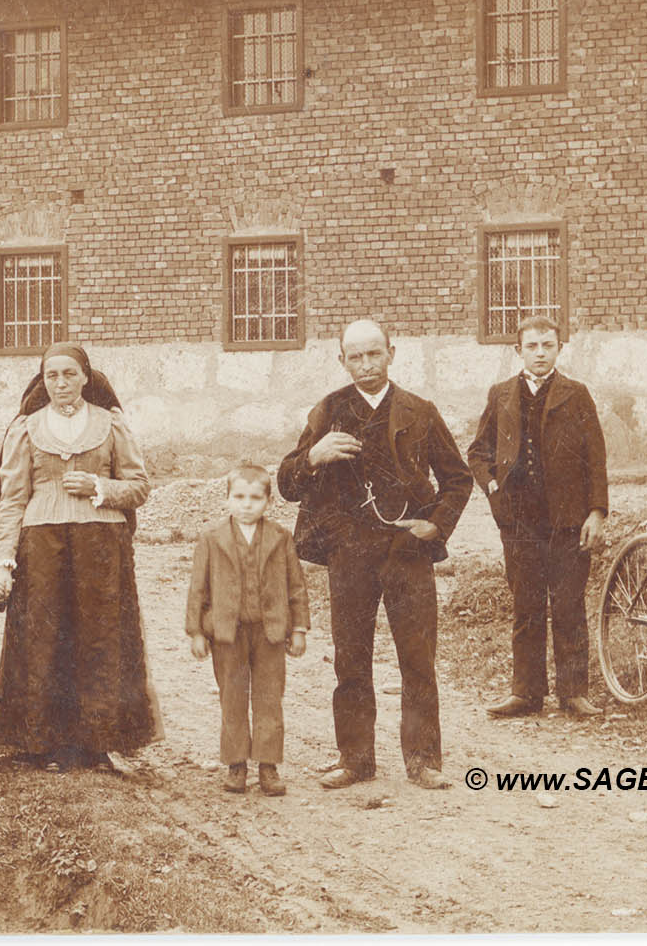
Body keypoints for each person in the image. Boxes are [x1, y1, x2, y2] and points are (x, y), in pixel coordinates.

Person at [277, 319, 471, 791]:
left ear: (392, 353)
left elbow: (458, 478)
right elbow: (285, 483)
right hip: (350, 552)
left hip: (408, 550)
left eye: (374, 354)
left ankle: (423, 760)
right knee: (351, 658)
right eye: (355, 357)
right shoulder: (327, 411)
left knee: (418, 657)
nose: (366, 366)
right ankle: (356, 759)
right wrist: (313, 457)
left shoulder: (419, 410)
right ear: (341, 360)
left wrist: (436, 524)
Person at [0, 341, 157, 772]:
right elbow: (11, 501)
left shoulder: (110, 424)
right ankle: (44, 741)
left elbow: (139, 486)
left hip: (102, 542)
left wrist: (100, 489)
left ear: (85, 377)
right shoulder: (25, 428)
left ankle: (100, 741)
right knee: (45, 638)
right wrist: (4, 560)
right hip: (42, 543)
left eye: (69, 374)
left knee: (100, 638)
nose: (61, 383)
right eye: (52, 376)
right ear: (43, 382)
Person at [466, 315, 609, 718]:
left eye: (548, 345)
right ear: (518, 351)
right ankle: (526, 692)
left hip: (567, 520)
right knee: (526, 605)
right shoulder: (501, 395)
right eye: (532, 346)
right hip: (519, 521)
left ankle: (573, 692)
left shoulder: (576, 395)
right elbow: (478, 452)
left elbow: (596, 458)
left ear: (559, 348)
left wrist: (596, 512)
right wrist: (493, 487)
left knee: (568, 605)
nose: (540, 353)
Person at [184, 464, 309, 797]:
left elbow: (296, 586)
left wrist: (298, 628)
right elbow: (198, 588)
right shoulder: (212, 538)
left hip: (269, 632)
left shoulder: (281, 538)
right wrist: (196, 631)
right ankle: (236, 763)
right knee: (232, 697)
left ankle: (268, 766)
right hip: (227, 633)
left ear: (268, 501)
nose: (247, 504)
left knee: (270, 697)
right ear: (227, 499)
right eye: (238, 496)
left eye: (255, 497)